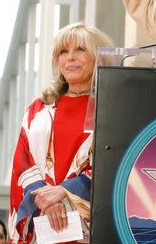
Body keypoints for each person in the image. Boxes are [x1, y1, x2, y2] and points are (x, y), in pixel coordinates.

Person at [9, 22, 114, 243]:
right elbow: (22, 161)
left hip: (92, 227)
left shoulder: (113, 107)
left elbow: (116, 161)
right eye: (63, 52)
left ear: (99, 56)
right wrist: (46, 199)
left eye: (80, 49)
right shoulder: (38, 109)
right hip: (42, 221)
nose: (70, 57)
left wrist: (65, 191)